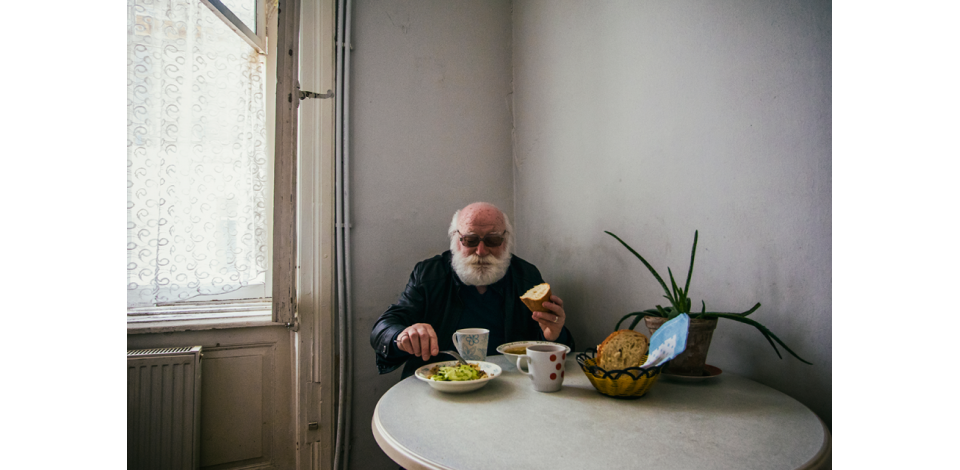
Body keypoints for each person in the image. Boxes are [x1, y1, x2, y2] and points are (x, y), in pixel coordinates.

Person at [370, 202, 575, 379]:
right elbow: (383, 328)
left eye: (493, 240)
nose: (481, 251)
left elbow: (552, 349)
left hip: (508, 384)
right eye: (470, 240)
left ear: (506, 241)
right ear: (456, 240)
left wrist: (553, 336)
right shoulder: (428, 275)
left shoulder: (526, 276)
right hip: (440, 383)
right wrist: (402, 336)